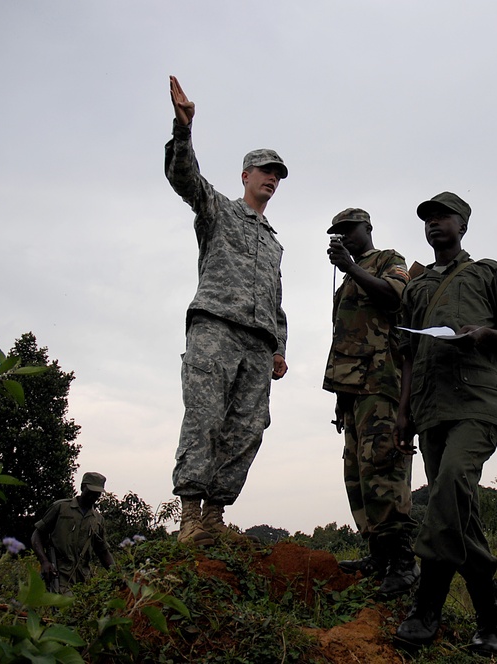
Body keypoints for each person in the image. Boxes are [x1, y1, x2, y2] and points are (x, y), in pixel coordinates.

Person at [392, 192, 497, 656]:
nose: (433, 225)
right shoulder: (415, 287)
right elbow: (408, 354)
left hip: (477, 404)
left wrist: (484, 334)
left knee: (450, 482)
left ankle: (426, 605)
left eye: (442, 217)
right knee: (459, 513)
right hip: (430, 408)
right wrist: (403, 412)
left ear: (463, 225)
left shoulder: (487, 272)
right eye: (427, 219)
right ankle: (490, 620)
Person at [164, 75, 289, 546]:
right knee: (204, 417)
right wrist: (183, 131)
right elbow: (185, 180)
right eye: (264, 171)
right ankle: (190, 516)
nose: (271, 179)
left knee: (247, 429)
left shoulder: (274, 243)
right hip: (215, 327)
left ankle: (215, 516)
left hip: (258, 344)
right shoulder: (217, 209)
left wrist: (279, 347)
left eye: (277, 174)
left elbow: (277, 300)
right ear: (245, 175)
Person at [323, 207, 419, 598]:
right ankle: (379, 557)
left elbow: (395, 297)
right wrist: (341, 399)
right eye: (337, 232)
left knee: (383, 472)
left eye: (350, 229)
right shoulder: (346, 281)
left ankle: (403, 564)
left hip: (382, 386)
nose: (344, 236)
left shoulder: (388, 261)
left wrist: (352, 267)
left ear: (368, 229)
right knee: (358, 477)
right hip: (353, 393)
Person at [31, 472, 114, 594]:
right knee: (63, 608)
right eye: (90, 491)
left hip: (84, 580)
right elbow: (37, 534)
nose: (94, 496)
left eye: (97, 494)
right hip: (58, 574)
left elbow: (103, 551)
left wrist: (118, 575)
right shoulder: (61, 508)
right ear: (82, 488)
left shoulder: (98, 520)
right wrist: (44, 562)